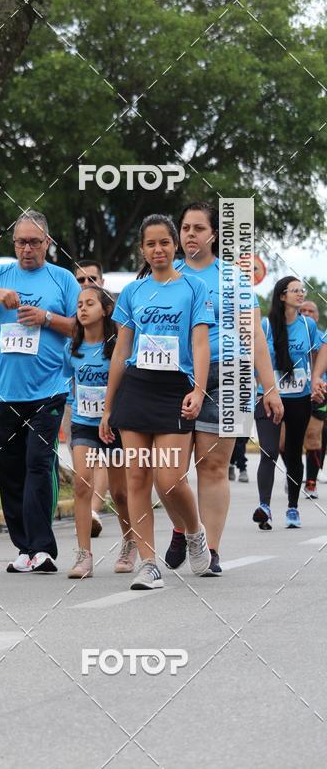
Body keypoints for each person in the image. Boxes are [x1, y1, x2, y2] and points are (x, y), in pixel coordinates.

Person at [0, 210, 80, 574]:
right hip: (5, 394)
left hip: (49, 391)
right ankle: (24, 547)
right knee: (8, 471)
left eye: (35, 242)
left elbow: (82, 328)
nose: (27, 249)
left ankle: (43, 548)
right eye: (21, 242)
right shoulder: (0, 275)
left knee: (38, 464)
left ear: (48, 244)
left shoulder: (63, 280)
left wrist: (47, 319)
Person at [163, 203, 283, 575]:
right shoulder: (167, 275)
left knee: (214, 467)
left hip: (229, 374)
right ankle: (185, 529)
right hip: (176, 375)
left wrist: (270, 388)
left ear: (213, 234)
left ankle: (211, 551)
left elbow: (255, 338)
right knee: (170, 469)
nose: (191, 235)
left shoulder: (233, 278)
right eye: (185, 228)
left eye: (199, 228)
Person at [100, 213, 214, 591]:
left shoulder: (195, 288)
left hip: (175, 389)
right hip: (137, 387)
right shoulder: (133, 293)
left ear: (174, 245)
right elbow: (121, 353)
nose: (158, 249)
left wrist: (198, 390)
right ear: (143, 250)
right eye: (151, 244)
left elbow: (199, 342)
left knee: (170, 479)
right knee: (137, 476)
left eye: (164, 242)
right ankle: (148, 563)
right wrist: (108, 405)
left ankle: (195, 532)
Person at [63, 285, 137, 578]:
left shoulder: (119, 346)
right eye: (79, 304)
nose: (82, 308)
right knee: (82, 483)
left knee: (120, 492)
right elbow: (67, 382)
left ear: (106, 309)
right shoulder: (72, 348)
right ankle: (84, 555)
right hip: (83, 424)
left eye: (89, 303)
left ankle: (130, 542)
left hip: (115, 426)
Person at [253, 277, 321, 530]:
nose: (300, 294)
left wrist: (316, 382)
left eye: (302, 290)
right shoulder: (266, 325)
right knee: (269, 451)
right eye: (295, 291)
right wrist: (263, 387)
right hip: (268, 397)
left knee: (293, 453)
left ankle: (292, 508)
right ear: (282, 296)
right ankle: (265, 507)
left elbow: (315, 356)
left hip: (299, 400)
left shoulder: (308, 325)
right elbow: (256, 359)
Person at [63, 259, 110, 539]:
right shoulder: (73, 340)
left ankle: (96, 510)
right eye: (80, 280)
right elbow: (67, 373)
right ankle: (83, 550)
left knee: (114, 479)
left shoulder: (116, 338)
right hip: (79, 411)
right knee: (83, 471)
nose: (85, 285)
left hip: (112, 418)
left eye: (91, 279)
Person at [300, 301, 326, 497]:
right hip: (293, 393)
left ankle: (311, 482)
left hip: (319, 393)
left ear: (317, 316)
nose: (307, 313)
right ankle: (295, 472)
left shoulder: (322, 338)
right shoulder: (289, 334)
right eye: (303, 310)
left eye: (311, 311)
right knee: (284, 442)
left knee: (314, 436)